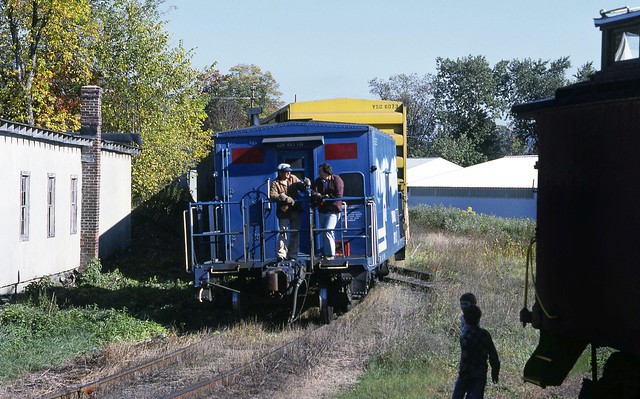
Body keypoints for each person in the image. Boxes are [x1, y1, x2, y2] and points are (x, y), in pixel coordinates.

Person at [452, 304, 500, 399]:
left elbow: (465, 357)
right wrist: (495, 371)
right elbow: (493, 355)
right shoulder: (485, 334)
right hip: (479, 373)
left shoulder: (464, 337)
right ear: (479, 318)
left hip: (465, 373)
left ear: (465, 319)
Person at [269, 163, 310, 260]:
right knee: (283, 232)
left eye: (289, 171)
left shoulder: (293, 178)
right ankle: (281, 254)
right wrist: (282, 197)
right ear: (280, 172)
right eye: (286, 171)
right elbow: (272, 195)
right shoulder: (276, 183)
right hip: (284, 211)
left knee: (294, 233)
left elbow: (302, 188)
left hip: (295, 210)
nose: (289, 173)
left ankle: (292, 255)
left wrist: (306, 184)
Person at [311, 163, 344, 260]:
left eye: (320, 171)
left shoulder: (337, 180)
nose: (319, 173)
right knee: (325, 231)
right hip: (322, 210)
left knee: (328, 230)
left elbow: (339, 194)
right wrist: (319, 196)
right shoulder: (318, 181)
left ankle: (331, 254)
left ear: (327, 172)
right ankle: (326, 253)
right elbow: (313, 192)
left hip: (334, 211)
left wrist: (327, 197)